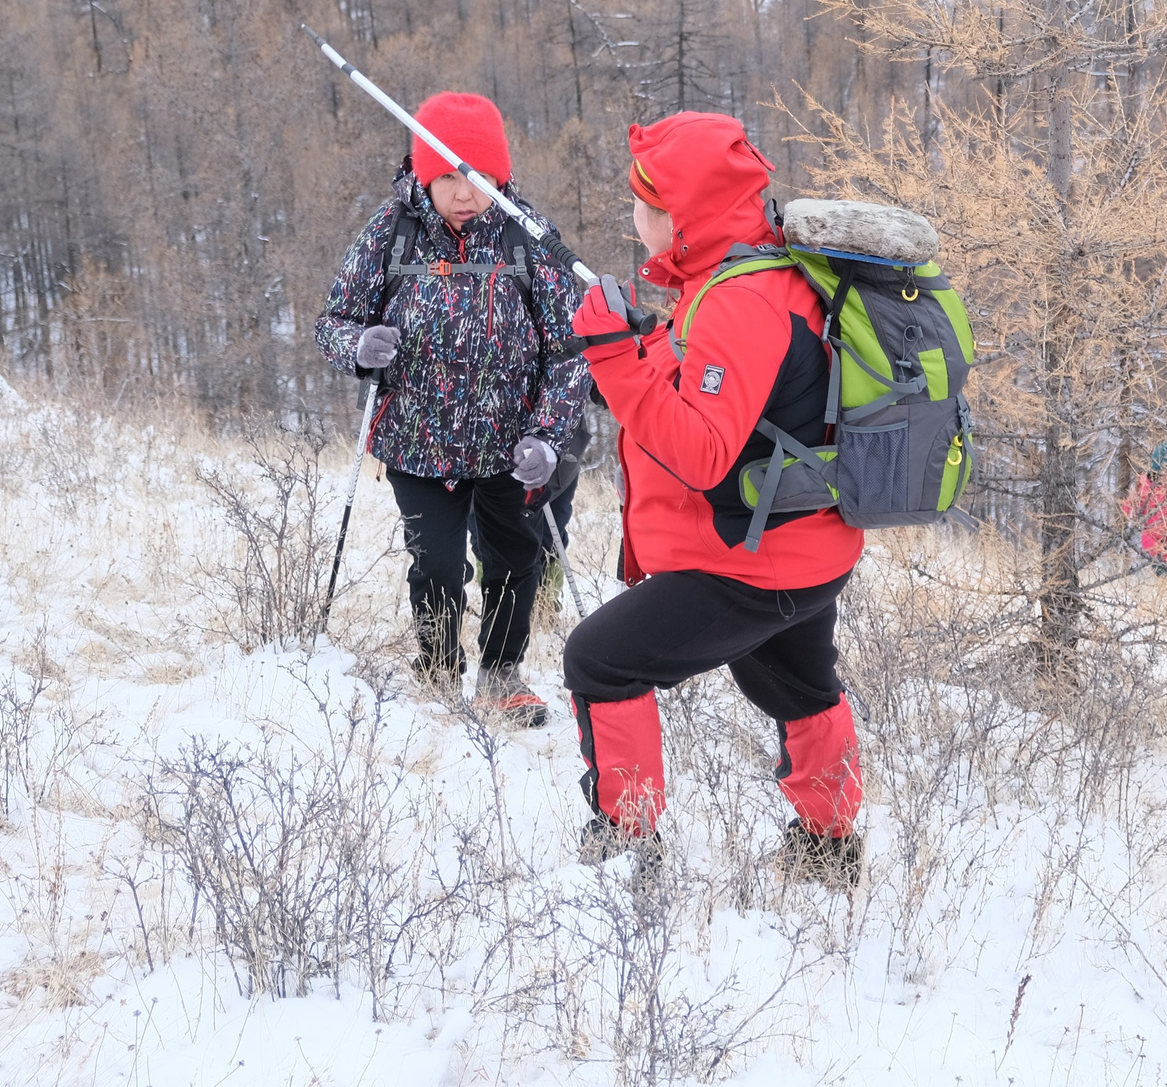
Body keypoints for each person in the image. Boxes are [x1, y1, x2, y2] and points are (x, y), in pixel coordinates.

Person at [561, 113, 867, 887]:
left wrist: (610, 358)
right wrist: (636, 352)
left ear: (680, 212)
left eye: (641, 199)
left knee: (598, 660)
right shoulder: (754, 272)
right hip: (805, 544)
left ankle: (626, 844)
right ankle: (828, 848)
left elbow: (701, 451)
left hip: (750, 560)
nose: (632, 213)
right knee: (795, 685)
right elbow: (735, 396)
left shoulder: (738, 299)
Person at [315, 92, 588, 727]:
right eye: (448, 177)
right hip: (417, 441)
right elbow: (333, 320)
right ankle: (438, 672)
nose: (466, 192)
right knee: (435, 561)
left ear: (501, 176)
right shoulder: (391, 230)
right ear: (422, 174)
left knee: (515, 559)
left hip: (510, 446)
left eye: (481, 178)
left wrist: (547, 437)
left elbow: (570, 350)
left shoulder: (529, 235)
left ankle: (501, 676)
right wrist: (358, 345)